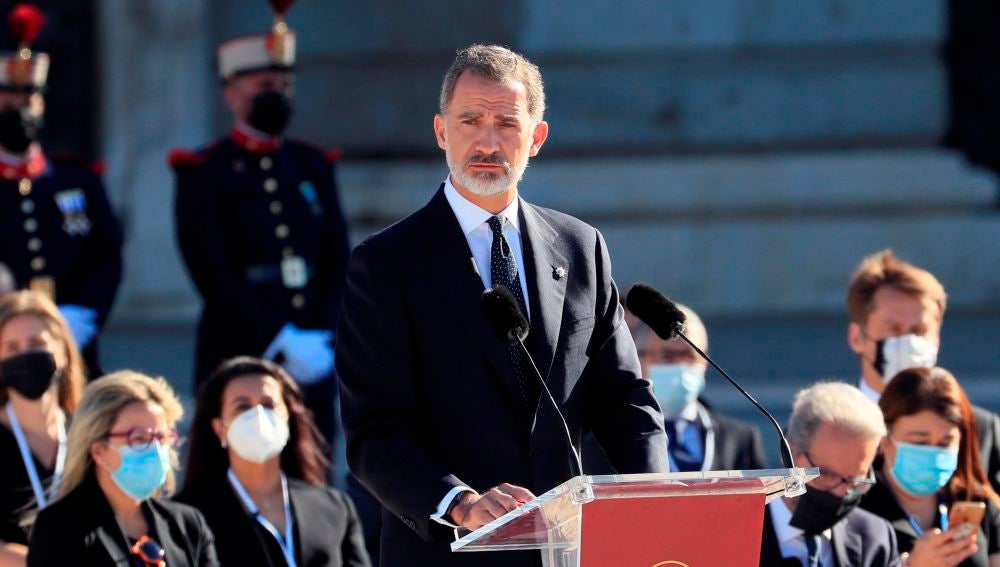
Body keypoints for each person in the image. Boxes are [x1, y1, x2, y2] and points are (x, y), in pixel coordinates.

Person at [336, 44, 669, 566]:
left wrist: (658, 498)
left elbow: (624, 398)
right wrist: (461, 502)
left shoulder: (581, 247)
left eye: (507, 124)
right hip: (449, 551)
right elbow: (374, 434)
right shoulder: (386, 266)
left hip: (567, 551)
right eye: (470, 120)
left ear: (536, 138)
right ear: (442, 131)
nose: (487, 141)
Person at [169, 0, 350, 449]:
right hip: (240, 348)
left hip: (315, 350)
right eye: (265, 84)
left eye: (285, 84)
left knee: (315, 466)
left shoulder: (311, 165)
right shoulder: (204, 171)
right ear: (232, 92)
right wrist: (280, 338)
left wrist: (322, 338)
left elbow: (337, 258)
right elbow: (212, 274)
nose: (278, 93)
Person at [0, 3, 123, 379]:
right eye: (9, 103)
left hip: (76, 350)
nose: (22, 111)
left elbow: (108, 256)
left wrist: (84, 315)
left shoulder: (78, 179)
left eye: (30, 101)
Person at [176, 357, 370, 567]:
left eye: (269, 404)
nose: (258, 414)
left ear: (288, 415)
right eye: (242, 407)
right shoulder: (187, 516)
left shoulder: (333, 508)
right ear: (219, 428)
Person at [846, 249, 1000, 493]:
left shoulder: (979, 429)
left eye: (919, 330)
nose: (908, 341)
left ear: (936, 338)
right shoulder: (830, 428)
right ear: (857, 337)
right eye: (894, 329)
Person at [27, 371, 218, 566]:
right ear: (99, 450)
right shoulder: (60, 528)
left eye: (162, 438)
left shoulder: (188, 525)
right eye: (139, 439)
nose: (156, 450)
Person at [583, 301, 768, 473]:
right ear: (640, 358)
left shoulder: (740, 439)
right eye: (668, 355)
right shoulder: (603, 442)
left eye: (689, 355)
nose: (680, 364)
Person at [860, 367, 1000, 566]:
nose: (933, 453)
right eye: (919, 442)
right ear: (884, 438)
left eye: (945, 443)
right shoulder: (857, 511)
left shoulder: (976, 503)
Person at [759, 382, 900, 566]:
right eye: (825, 474)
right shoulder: (729, 533)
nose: (840, 493)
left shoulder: (874, 539)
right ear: (789, 453)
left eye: (855, 480)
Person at [0, 291, 84, 565]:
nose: (26, 355)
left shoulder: (90, 433)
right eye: (12, 347)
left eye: (37, 343)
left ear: (62, 351)